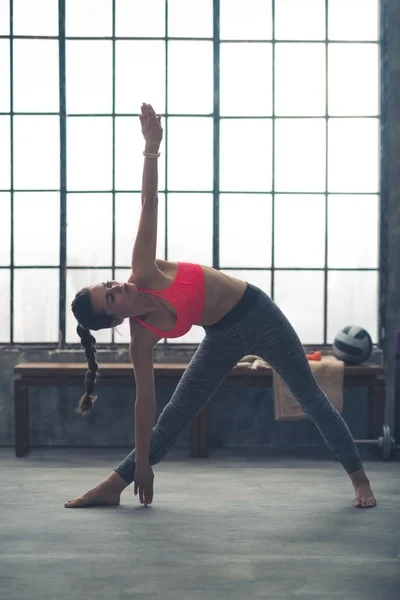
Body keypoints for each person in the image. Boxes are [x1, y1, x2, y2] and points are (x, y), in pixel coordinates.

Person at [65, 103, 376, 510]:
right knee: (176, 413)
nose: (117, 286)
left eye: (108, 283)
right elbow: (146, 404)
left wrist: (152, 148)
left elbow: (149, 203)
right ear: (116, 317)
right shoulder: (140, 337)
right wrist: (143, 464)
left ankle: (360, 480)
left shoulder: (143, 270)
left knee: (311, 397)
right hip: (221, 336)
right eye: (111, 297)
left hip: (257, 314)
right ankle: (114, 483)